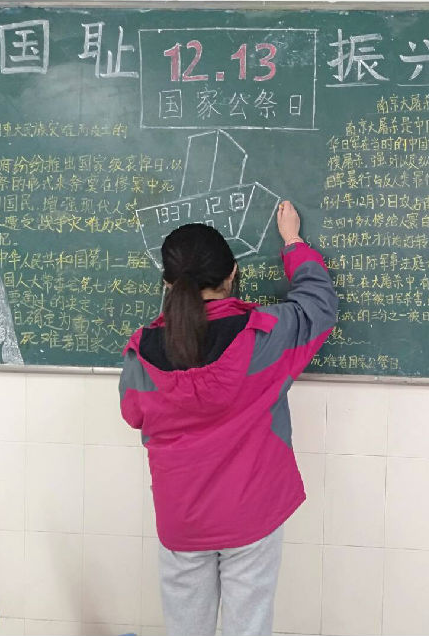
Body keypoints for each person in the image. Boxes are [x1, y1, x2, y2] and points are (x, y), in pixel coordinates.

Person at [119, 201, 337, 636]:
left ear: (167, 283)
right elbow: (319, 306)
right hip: (251, 511)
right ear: (233, 273)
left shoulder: (142, 352)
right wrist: (293, 242)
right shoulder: (265, 336)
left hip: (182, 516)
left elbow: (133, 412)